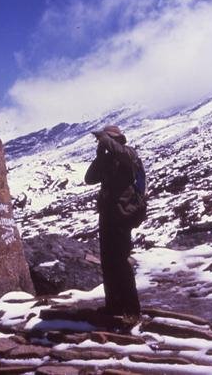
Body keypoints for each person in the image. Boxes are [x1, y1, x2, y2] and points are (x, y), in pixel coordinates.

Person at [84, 125, 141, 317]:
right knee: (108, 263)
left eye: (107, 141)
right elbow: (89, 178)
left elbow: (123, 153)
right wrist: (100, 155)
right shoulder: (108, 160)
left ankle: (131, 310)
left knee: (121, 263)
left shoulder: (129, 154)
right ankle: (113, 306)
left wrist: (105, 139)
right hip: (108, 216)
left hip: (123, 215)